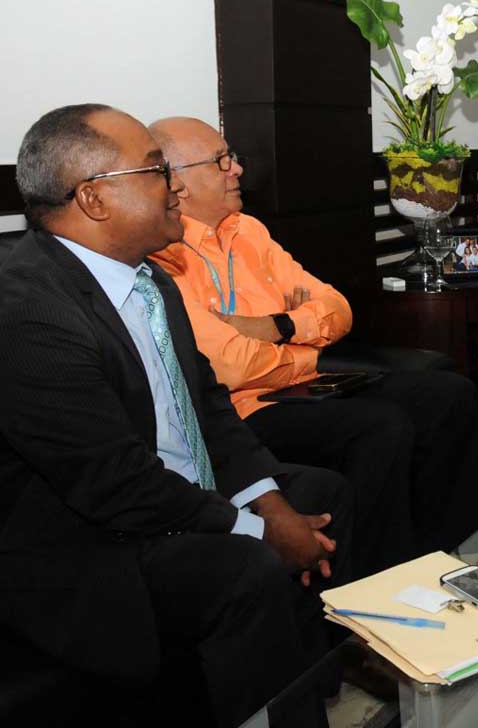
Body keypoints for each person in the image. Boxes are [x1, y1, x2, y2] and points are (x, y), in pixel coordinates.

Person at [0, 104, 353, 727]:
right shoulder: (30, 312)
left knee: (322, 496)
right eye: (157, 170)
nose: (176, 187)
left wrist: (269, 507)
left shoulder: (147, 277)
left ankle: (307, 681)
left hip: (168, 491)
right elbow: (114, 483)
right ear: (94, 198)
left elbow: (210, 406)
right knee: (247, 565)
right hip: (87, 539)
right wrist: (256, 530)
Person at [146, 117, 478, 559]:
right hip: (246, 408)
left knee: (450, 393)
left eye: (231, 157)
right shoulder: (162, 251)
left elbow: (337, 308)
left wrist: (280, 327)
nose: (237, 169)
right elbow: (229, 366)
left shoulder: (246, 230)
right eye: (221, 161)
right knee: (382, 425)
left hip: (302, 378)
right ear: (178, 182)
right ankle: (382, 579)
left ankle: (454, 555)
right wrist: (306, 351)